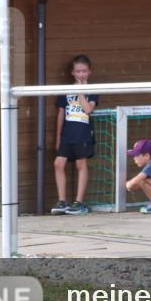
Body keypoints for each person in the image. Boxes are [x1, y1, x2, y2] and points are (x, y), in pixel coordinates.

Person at [52, 55, 98, 216]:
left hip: (83, 133)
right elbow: (60, 113)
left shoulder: (92, 91)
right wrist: (58, 137)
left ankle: (79, 202)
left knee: (81, 165)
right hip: (67, 134)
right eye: (78, 71)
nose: (81, 74)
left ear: (89, 72)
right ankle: (62, 200)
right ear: (73, 72)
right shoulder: (65, 91)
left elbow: (88, 109)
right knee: (58, 164)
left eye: (84, 71)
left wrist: (80, 92)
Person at [125, 139, 151, 214]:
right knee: (142, 182)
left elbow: (131, 185)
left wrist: (127, 184)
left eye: (137, 155)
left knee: (142, 181)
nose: (134, 158)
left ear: (147, 156)